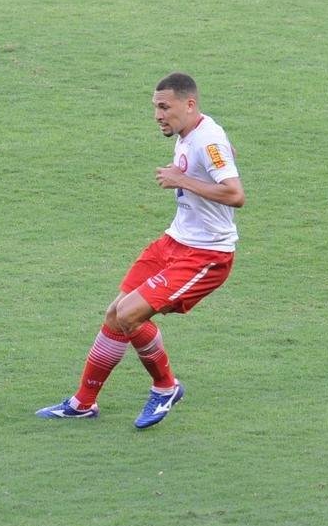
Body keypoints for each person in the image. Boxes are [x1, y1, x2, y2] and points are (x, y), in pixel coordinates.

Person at [37, 73, 245, 428]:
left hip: (205, 256)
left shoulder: (207, 140)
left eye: (164, 107)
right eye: (155, 108)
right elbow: (223, 157)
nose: (158, 115)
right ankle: (83, 402)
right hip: (173, 242)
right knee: (115, 315)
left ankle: (165, 388)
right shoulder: (194, 133)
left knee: (131, 315)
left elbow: (235, 195)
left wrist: (180, 179)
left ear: (189, 104)